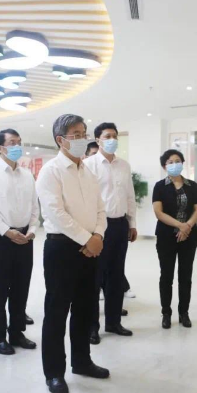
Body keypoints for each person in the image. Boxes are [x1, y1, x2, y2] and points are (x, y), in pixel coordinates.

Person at [36, 114, 109, 393]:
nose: (82, 139)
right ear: (61, 140)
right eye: (76, 135)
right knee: (57, 312)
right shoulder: (51, 171)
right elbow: (55, 212)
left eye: (83, 133)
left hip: (91, 247)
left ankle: (82, 361)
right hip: (62, 248)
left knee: (85, 308)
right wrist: (87, 239)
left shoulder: (88, 171)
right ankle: (54, 372)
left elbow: (100, 209)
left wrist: (98, 236)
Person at [0, 129, 39, 355]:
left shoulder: (27, 174)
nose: (17, 146)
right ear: (0, 148)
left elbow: (35, 206)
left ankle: (17, 332)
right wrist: (7, 231)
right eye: (12, 142)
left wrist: (32, 230)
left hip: (25, 237)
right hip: (0, 237)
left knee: (21, 288)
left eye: (19, 142)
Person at [84, 122, 136, 344]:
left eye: (115, 136)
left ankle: (114, 322)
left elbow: (130, 196)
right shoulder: (88, 165)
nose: (112, 139)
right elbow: (87, 199)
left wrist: (132, 223)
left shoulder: (124, 165)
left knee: (116, 276)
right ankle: (91, 327)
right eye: (107, 136)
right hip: (98, 227)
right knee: (95, 277)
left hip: (120, 224)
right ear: (98, 140)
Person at [152, 149, 197, 329]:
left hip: (189, 236)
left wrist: (187, 226)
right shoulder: (159, 186)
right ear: (164, 166)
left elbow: (196, 209)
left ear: (183, 163)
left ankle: (184, 312)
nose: (174, 164)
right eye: (170, 162)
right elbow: (158, 212)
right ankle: (166, 312)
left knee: (185, 276)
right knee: (166, 275)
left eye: (178, 160)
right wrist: (180, 225)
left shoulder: (192, 185)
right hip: (166, 236)